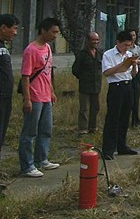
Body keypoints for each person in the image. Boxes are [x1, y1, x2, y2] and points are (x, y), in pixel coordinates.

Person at [18, 17, 61, 177]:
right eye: (53, 32)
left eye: (57, 32)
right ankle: (27, 165)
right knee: (29, 132)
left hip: (46, 96)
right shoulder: (31, 50)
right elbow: (25, 76)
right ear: (43, 30)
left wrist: (51, 91)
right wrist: (27, 99)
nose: (55, 35)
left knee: (45, 129)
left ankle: (42, 158)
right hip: (34, 96)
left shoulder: (48, 48)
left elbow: (47, 73)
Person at [101, 30, 140, 160]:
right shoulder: (108, 54)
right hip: (116, 87)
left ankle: (122, 145)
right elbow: (106, 72)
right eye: (125, 45)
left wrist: (134, 65)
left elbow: (133, 74)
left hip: (128, 85)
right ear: (118, 42)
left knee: (125, 117)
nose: (126, 48)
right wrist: (122, 65)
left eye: (129, 45)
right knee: (113, 118)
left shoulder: (129, 54)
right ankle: (108, 149)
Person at [71, 32, 104, 134]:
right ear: (88, 40)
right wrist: (83, 77)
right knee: (84, 108)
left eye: (97, 40)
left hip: (96, 85)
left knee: (95, 107)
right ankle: (83, 128)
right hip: (85, 85)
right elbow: (75, 69)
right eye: (93, 40)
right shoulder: (82, 54)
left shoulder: (100, 53)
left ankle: (92, 127)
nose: (96, 42)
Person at [0, 14, 20, 159]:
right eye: (14, 28)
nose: (16, 32)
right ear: (3, 28)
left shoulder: (3, 47)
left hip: (6, 97)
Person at [128, 28, 140, 128]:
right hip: (127, 75)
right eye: (131, 35)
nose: (132, 37)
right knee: (128, 98)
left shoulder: (137, 48)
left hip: (136, 74)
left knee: (136, 97)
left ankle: (135, 121)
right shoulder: (125, 49)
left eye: (134, 35)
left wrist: (138, 62)